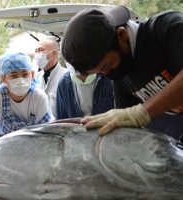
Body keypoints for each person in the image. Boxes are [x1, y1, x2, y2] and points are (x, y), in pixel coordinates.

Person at [61, 5, 183, 140]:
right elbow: (125, 129)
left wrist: (140, 113)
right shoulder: (121, 78)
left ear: (122, 35)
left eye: (107, 66)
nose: (107, 74)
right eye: (99, 73)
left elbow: (136, 115)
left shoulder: (167, 28)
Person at [0, 52, 54, 143]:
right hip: (1, 144)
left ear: (32, 75)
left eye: (25, 74)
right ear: (4, 78)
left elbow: (49, 131)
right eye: (14, 75)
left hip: (31, 143)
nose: (20, 80)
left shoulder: (38, 97)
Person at [34, 37, 67, 117]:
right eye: (36, 51)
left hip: (59, 126)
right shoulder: (36, 77)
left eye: (41, 50)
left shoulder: (66, 76)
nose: (37, 54)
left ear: (54, 53)